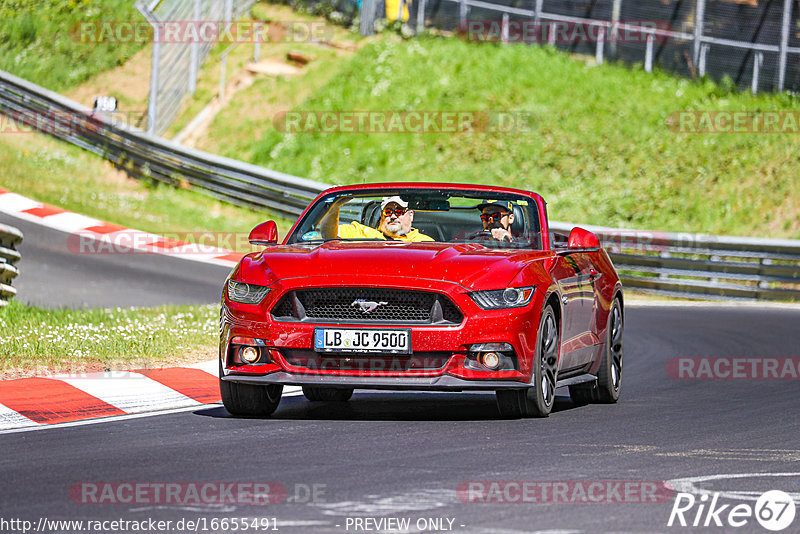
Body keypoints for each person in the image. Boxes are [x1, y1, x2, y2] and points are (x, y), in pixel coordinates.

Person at [322, 196, 433, 242]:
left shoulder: (426, 242)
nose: (393, 216)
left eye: (399, 211)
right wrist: (334, 208)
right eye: (388, 211)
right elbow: (328, 236)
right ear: (381, 215)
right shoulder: (362, 233)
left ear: (411, 215)